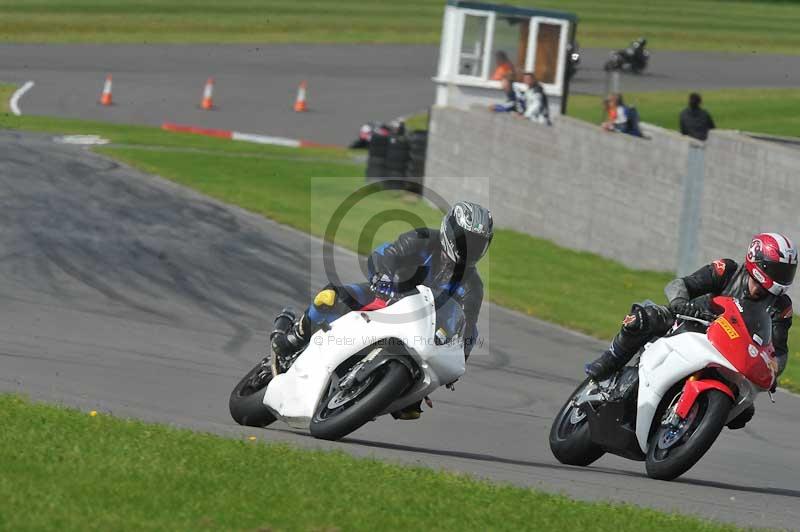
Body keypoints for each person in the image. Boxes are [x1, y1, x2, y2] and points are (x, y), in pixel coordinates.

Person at [269, 201, 494, 420]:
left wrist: (457, 358)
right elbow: (385, 253)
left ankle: (396, 390)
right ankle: (296, 336)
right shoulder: (424, 240)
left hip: (420, 330)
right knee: (332, 297)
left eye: (477, 244)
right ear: (450, 231)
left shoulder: (472, 286)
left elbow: (467, 325)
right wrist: (382, 276)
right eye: (465, 240)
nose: (469, 248)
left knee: (413, 405)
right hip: (387, 296)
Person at [585, 233, 796, 430]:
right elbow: (682, 284)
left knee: (744, 411)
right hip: (691, 324)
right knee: (645, 317)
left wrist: (773, 370)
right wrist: (680, 302)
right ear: (758, 261)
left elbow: (778, 350)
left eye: (787, 272)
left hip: (731, 353)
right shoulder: (728, 270)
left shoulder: (781, 307)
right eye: (778, 270)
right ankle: (609, 361)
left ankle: (691, 424)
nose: (783, 278)